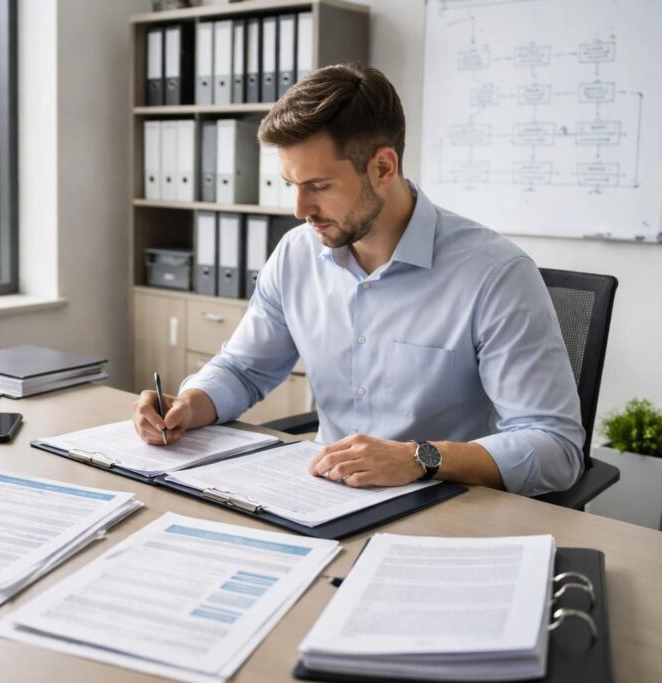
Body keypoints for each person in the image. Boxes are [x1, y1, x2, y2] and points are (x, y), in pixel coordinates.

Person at [131, 63, 584, 497]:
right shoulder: (296, 254)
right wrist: (191, 403)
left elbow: (554, 446)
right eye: (291, 184)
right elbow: (243, 369)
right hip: (324, 498)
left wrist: (419, 457)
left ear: (383, 167)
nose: (299, 209)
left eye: (319, 186)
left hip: (446, 505)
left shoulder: (494, 274)